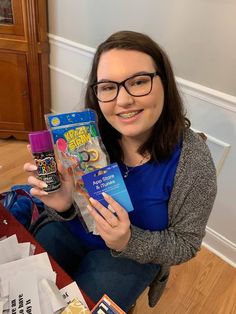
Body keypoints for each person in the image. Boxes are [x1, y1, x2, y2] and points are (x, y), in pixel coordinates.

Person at [24, 30, 217, 312]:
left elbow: (186, 244)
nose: (123, 100)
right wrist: (64, 206)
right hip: (70, 233)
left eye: (139, 82)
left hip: (131, 258)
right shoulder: (84, 137)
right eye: (108, 87)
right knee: (28, 289)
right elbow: (68, 211)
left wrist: (128, 240)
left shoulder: (193, 163)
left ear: (165, 82)